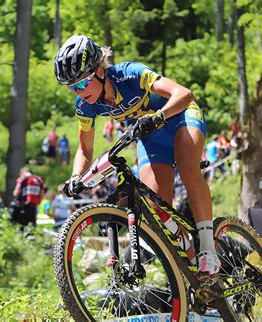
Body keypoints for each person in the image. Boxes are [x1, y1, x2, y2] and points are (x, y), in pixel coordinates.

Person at [54, 34, 221, 279]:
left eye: (81, 84)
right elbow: (85, 149)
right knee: (157, 207)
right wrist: (76, 177)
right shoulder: (85, 106)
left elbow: (184, 94)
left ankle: (208, 248)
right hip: (150, 137)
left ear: (100, 71)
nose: (78, 93)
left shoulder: (130, 73)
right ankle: (191, 264)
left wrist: (159, 116)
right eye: (72, 88)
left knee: (187, 168)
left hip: (180, 118)